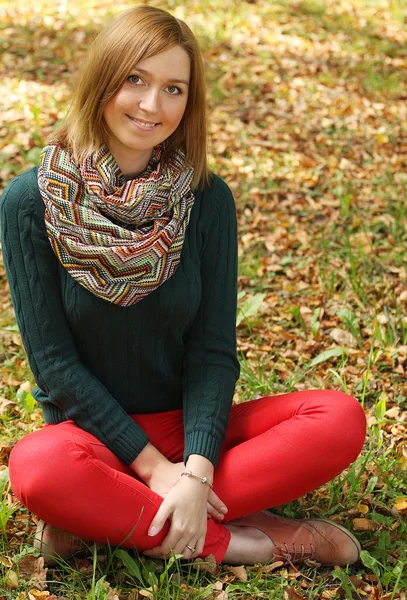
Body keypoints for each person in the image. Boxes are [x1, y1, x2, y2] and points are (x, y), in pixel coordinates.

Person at [0, 5, 366, 568]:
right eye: (135, 80)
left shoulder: (206, 200)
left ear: (189, 102)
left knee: (338, 418)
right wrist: (155, 468)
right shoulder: (30, 203)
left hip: (192, 434)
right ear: (103, 80)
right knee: (38, 468)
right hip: (91, 441)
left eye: (174, 88)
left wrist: (195, 469)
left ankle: (105, 521)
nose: (152, 106)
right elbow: (54, 367)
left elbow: (213, 352)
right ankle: (254, 541)